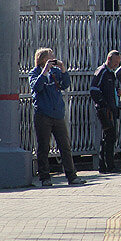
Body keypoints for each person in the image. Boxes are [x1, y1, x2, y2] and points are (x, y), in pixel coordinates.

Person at [29, 48, 86, 186]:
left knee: (65, 146)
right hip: (43, 114)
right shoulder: (34, 73)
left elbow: (65, 84)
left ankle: (72, 176)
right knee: (44, 147)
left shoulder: (55, 72)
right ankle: (45, 177)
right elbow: (37, 88)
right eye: (50, 57)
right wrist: (44, 71)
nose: (53, 59)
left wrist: (63, 69)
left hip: (58, 114)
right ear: (43, 59)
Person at [90, 50, 121, 174]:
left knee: (110, 137)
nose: (116, 65)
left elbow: (110, 89)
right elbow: (94, 89)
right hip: (105, 109)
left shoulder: (112, 73)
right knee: (109, 136)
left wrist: (117, 92)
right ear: (109, 59)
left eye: (118, 62)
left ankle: (105, 165)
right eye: (115, 62)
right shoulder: (102, 71)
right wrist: (104, 105)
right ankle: (108, 165)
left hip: (112, 108)